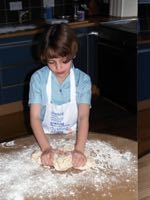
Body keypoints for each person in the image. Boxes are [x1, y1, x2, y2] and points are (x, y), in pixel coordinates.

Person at [29, 23, 91, 167]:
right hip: (44, 137)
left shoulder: (83, 80)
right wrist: (46, 148)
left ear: (73, 54)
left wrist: (79, 150)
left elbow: (83, 117)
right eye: (51, 62)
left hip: (73, 136)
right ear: (45, 58)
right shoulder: (38, 79)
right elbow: (35, 117)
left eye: (64, 61)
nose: (58, 67)